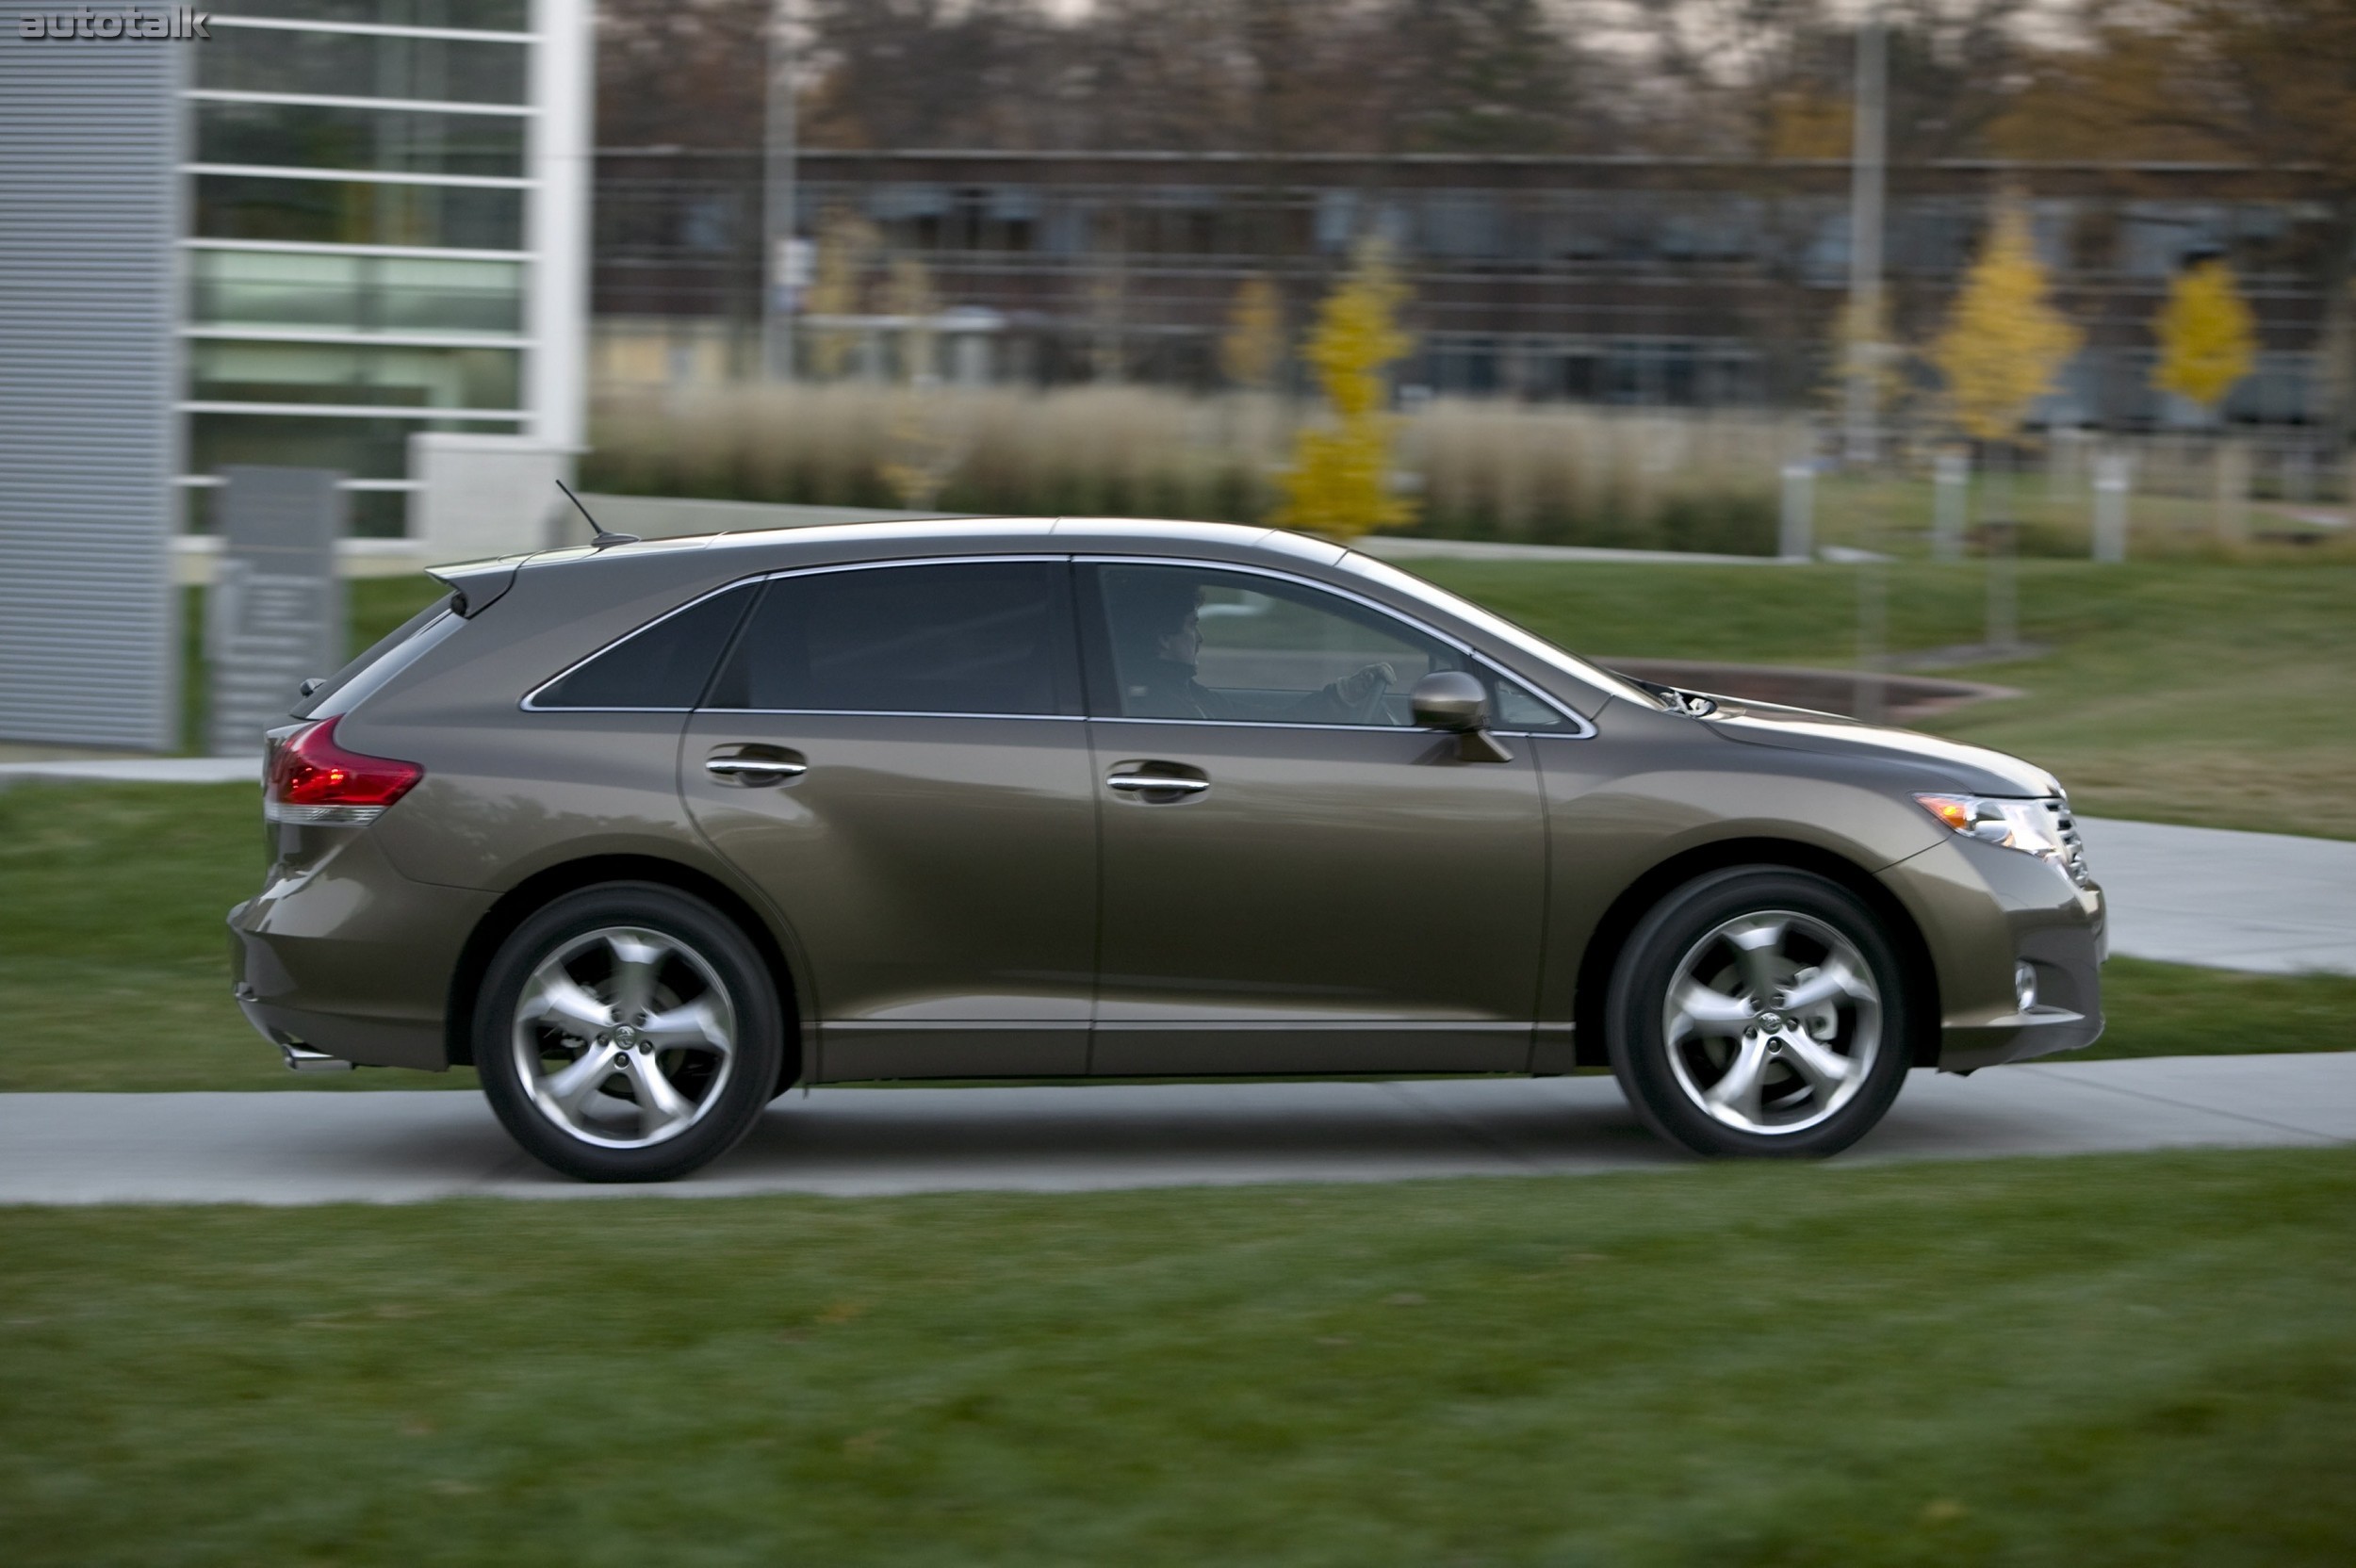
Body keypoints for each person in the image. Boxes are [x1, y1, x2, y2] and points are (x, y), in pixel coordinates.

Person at [1115, 577, 1397, 722]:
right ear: (1164, 637)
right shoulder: (1162, 704)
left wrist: (1341, 695)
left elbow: (1268, 722)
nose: (1200, 638)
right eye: (1192, 626)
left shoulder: (1183, 691)